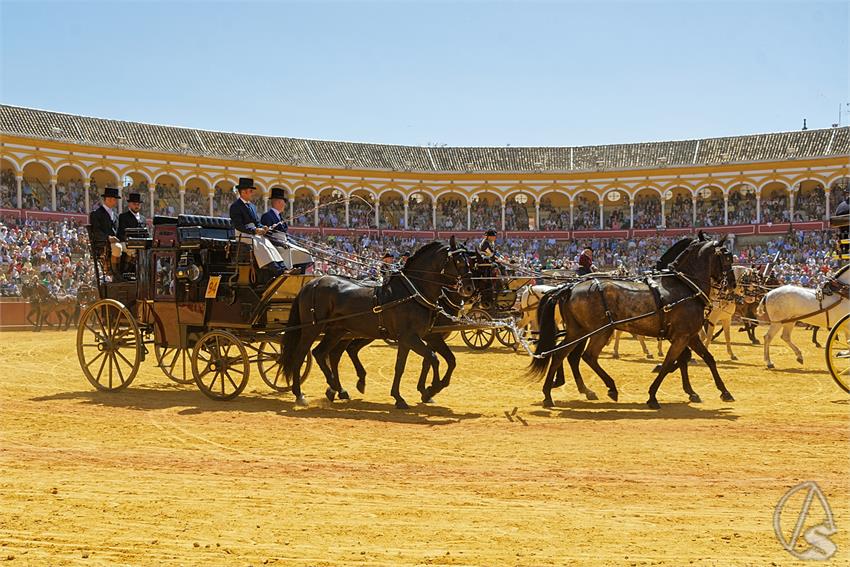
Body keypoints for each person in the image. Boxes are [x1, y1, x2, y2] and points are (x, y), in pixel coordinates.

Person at [228, 178, 286, 275]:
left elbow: (257, 222)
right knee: (259, 242)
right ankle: (277, 269)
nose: (252, 193)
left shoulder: (252, 207)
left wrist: (263, 227)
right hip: (242, 234)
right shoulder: (235, 206)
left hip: (253, 234)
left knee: (267, 242)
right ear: (243, 192)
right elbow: (239, 225)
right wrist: (255, 230)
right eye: (250, 191)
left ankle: (283, 267)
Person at [88, 186, 124, 276]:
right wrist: (108, 238)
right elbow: (96, 231)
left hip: (114, 243)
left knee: (131, 248)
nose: (116, 201)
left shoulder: (115, 215)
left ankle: (124, 272)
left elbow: (118, 231)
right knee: (118, 247)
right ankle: (114, 272)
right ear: (108, 199)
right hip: (103, 244)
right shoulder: (96, 214)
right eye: (115, 199)